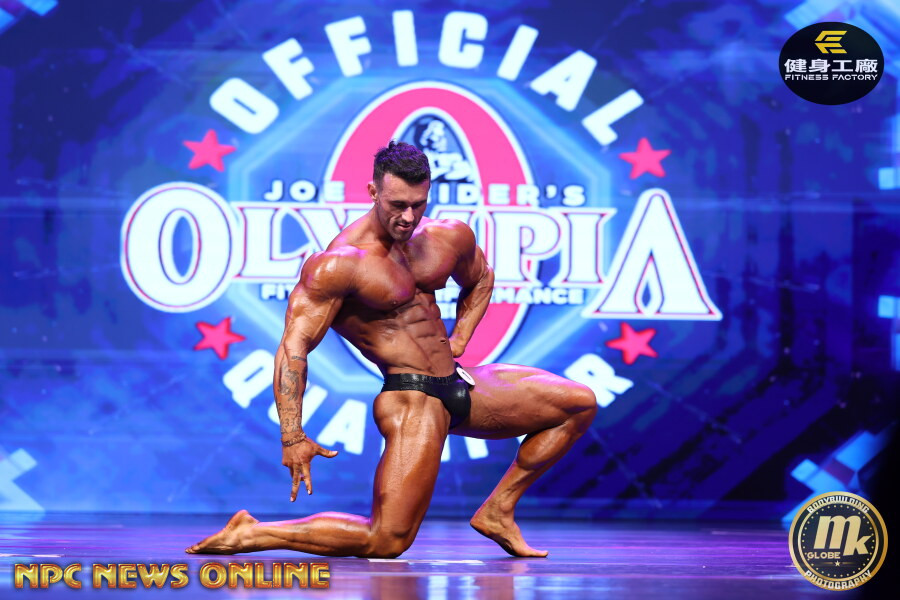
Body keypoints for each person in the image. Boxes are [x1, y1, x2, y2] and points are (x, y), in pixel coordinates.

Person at [186, 141, 597, 559]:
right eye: (397, 204)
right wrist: (292, 434)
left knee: (578, 405)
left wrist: (460, 338)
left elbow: (481, 278)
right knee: (386, 540)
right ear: (373, 192)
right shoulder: (339, 264)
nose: (408, 217)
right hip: (411, 398)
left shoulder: (446, 236)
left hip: (459, 384)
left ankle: (499, 510)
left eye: (418, 204)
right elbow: (295, 347)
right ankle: (251, 534)